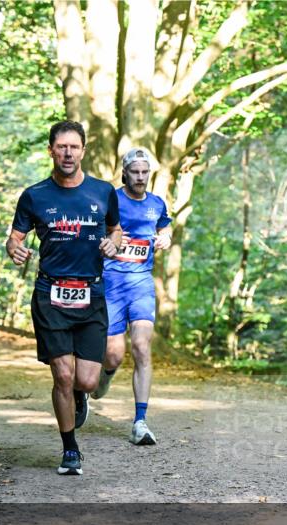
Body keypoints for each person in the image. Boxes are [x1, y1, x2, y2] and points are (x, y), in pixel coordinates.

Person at [6, 120, 121, 476]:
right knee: (62, 376)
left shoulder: (103, 192)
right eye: (61, 147)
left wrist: (113, 244)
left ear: (84, 151)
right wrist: (16, 249)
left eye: (74, 147)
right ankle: (70, 449)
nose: (68, 153)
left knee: (84, 380)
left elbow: (117, 230)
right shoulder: (35, 195)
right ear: (51, 151)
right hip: (51, 293)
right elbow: (16, 237)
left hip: (91, 293)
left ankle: (82, 395)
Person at [92, 147, 172, 446]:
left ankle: (140, 421)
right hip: (112, 285)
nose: (140, 177)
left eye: (144, 172)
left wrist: (165, 237)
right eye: (135, 172)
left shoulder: (156, 203)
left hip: (141, 285)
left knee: (141, 346)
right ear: (125, 172)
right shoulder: (111, 199)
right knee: (114, 354)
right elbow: (95, 231)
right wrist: (108, 241)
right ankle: (103, 376)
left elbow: (164, 225)